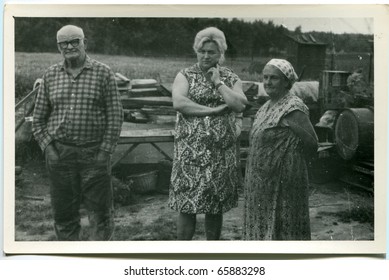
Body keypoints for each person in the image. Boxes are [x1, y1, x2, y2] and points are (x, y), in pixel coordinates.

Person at [32, 25, 123, 241]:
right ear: (58, 47)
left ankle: (97, 262)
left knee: (100, 215)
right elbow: (38, 120)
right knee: (64, 215)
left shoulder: (103, 73)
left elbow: (115, 116)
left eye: (75, 41)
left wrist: (104, 152)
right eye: (64, 43)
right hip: (60, 155)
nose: (70, 46)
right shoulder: (51, 75)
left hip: (94, 154)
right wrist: (49, 149)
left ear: (85, 43)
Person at [168, 27, 248, 240]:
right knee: (187, 205)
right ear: (196, 51)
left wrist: (218, 83)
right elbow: (180, 102)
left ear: (220, 53)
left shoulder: (230, 78)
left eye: (211, 52)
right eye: (202, 51)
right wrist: (213, 111)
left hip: (220, 154)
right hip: (189, 153)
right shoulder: (185, 75)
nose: (205, 56)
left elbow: (239, 105)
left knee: (215, 205)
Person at [243, 59, 318, 240]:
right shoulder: (265, 107)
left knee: (283, 229)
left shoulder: (293, 108)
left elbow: (312, 143)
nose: (268, 82)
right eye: (265, 77)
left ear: (286, 81)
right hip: (260, 183)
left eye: (274, 78)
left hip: (283, 182)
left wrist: (291, 162)